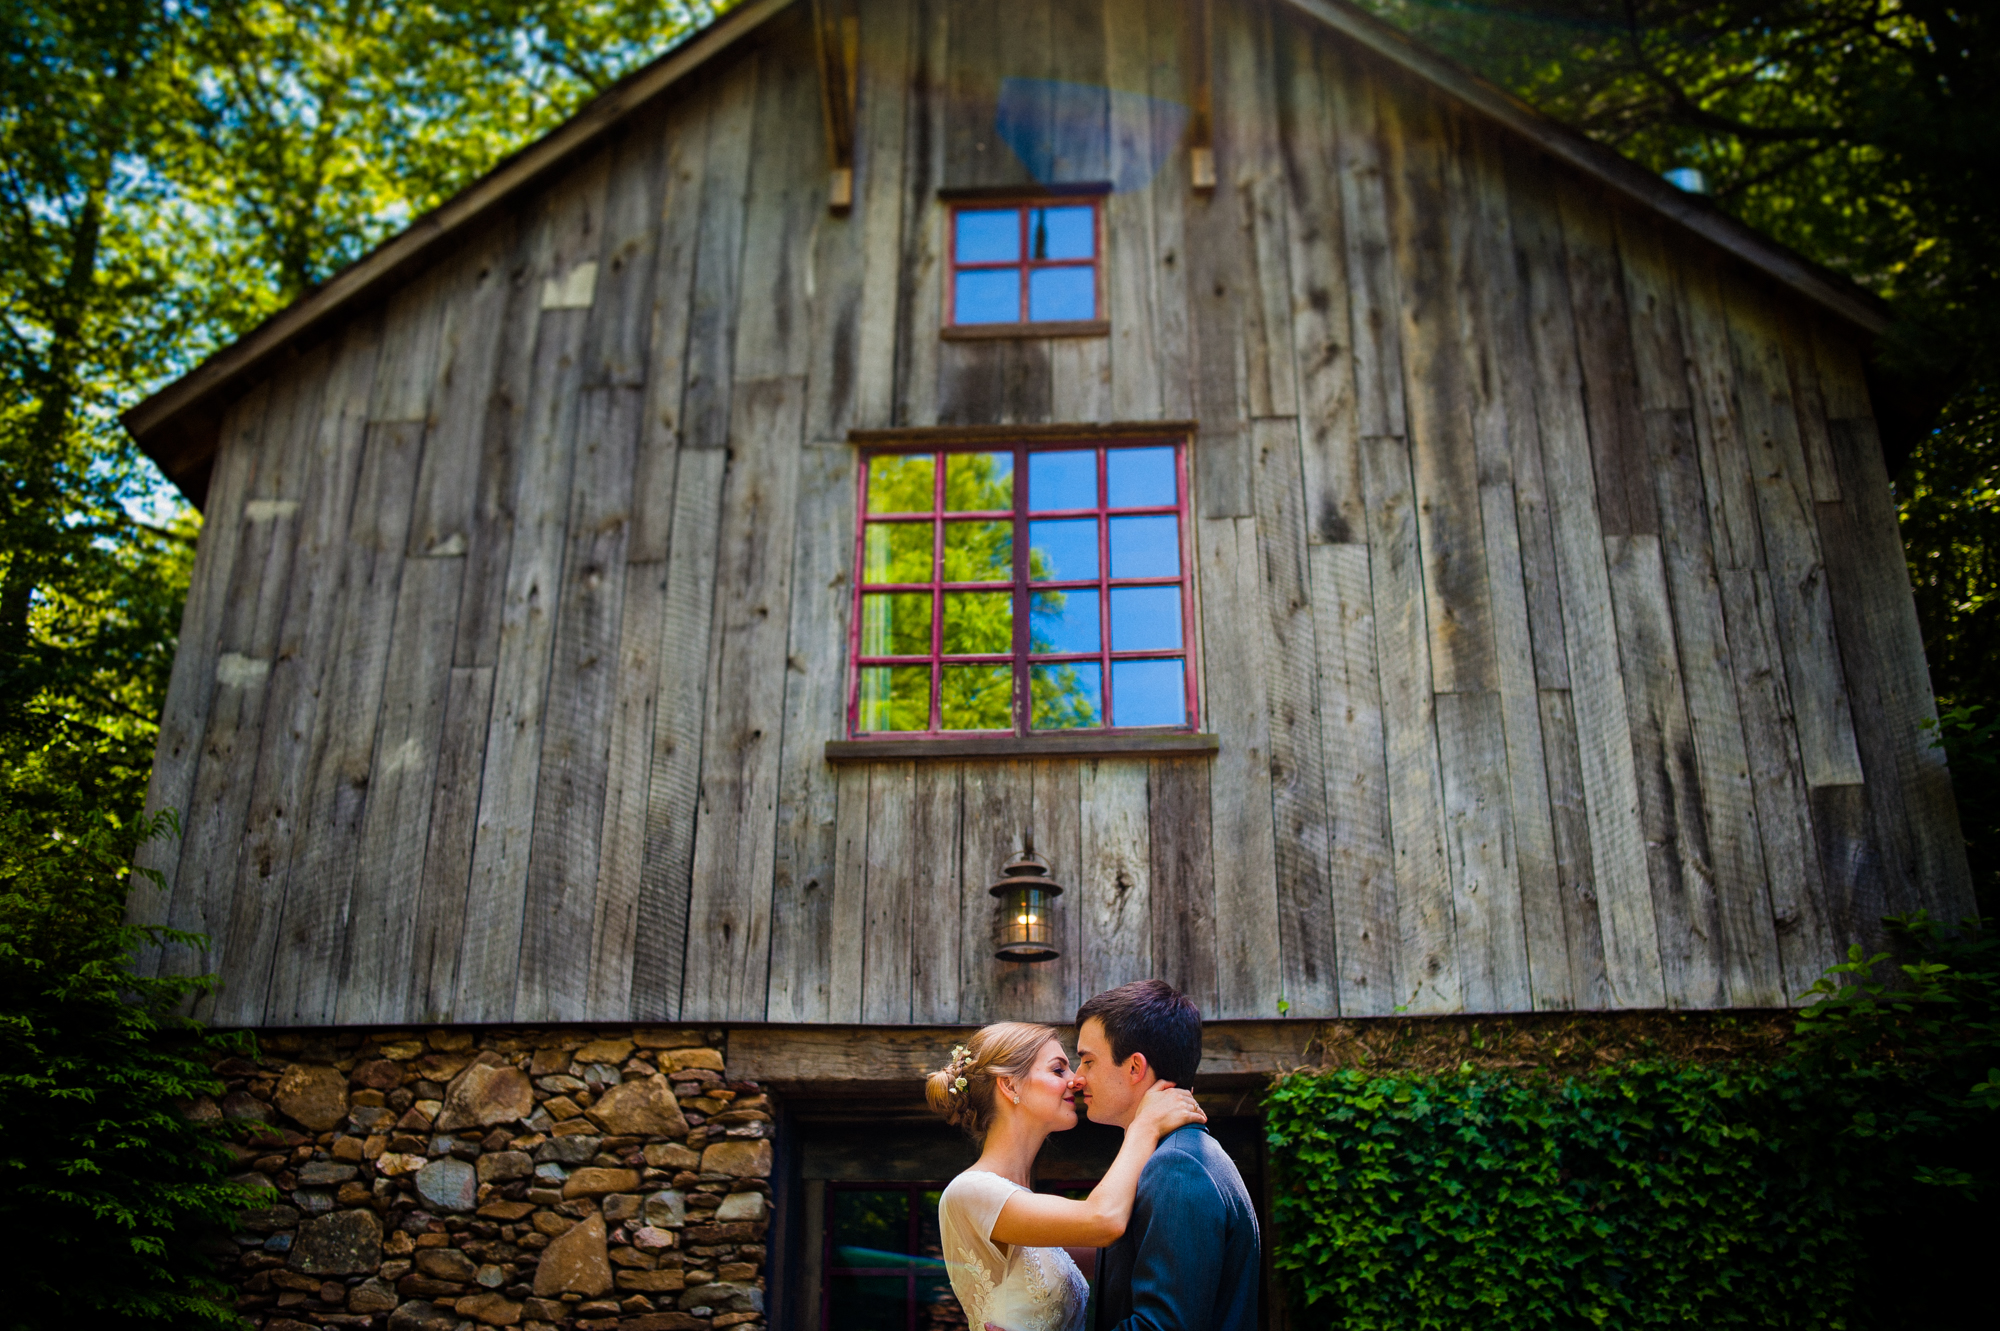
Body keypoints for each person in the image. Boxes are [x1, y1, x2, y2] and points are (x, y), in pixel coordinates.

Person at [925, 1020, 1207, 1331]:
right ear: (1010, 1085)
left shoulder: (1029, 1206)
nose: (1077, 1080)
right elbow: (1104, 1220)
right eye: (1059, 1070)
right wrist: (1145, 1125)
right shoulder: (971, 1191)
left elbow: (1125, 1252)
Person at [1073, 979, 1260, 1331]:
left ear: (1134, 1068)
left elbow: (1161, 1326)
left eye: (1088, 1061)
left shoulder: (1178, 1166)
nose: (1077, 1078)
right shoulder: (1181, 1155)